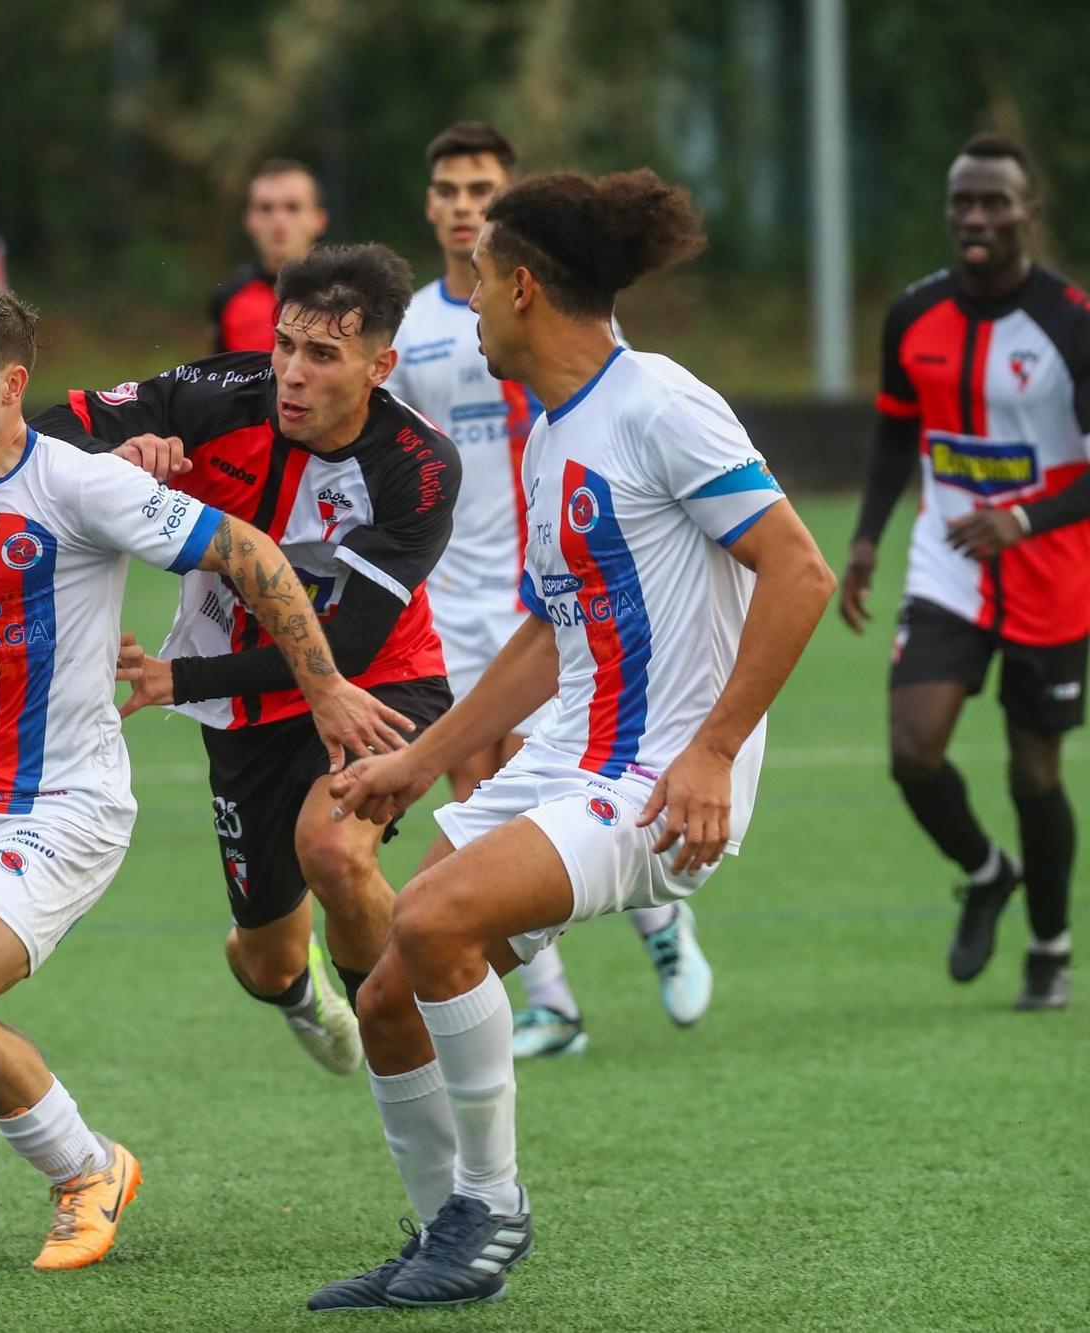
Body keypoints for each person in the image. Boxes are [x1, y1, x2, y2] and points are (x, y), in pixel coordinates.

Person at [0, 285, 407, 1274]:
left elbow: (249, 552)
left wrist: (321, 689)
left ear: (12, 386)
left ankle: (87, 1169)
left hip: (63, 808)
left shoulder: (79, 485)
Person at [307, 170, 835, 1310]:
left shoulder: (657, 402)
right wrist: (417, 754)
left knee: (435, 915)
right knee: (389, 999)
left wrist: (709, 750)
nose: (471, 302)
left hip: (655, 775)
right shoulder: (552, 431)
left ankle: (489, 1214)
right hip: (568, 757)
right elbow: (550, 635)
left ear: (522, 286)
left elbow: (797, 570)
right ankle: (441, 1229)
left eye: (479, 280)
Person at [31, 243, 458, 1079]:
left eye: (323, 355)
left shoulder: (417, 466)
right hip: (245, 709)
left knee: (334, 850)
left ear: (381, 366)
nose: (292, 373)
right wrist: (113, 464)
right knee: (264, 959)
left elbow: (349, 648)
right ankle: (304, 994)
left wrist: (176, 677)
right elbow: (36, 436)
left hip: (375, 685)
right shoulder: (214, 393)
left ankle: (410, 1046)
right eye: (285, 344)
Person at [386, 121, 714, 1059]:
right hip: (468, 582)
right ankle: (554, 1004)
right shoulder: (417, 330)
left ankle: (654, 921)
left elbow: (787, 565)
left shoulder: (618, 374)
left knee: (549, 779)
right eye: (446, 188)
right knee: (472, 779)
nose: (460, 204)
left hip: (574, 599)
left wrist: (718, 748)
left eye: (479, 187)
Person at [840, 132, 1088, 1011]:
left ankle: (1050, 948)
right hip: (948, 561)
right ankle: (987, 873)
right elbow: (895, 435)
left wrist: (1023, 515)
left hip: (1054, 574)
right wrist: (867, 538)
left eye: (993, 202)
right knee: (913, 752)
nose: (975, 217)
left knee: (1035, 774)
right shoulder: (914, 314)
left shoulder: (1070, 321)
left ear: (1029, 212)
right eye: (962, 202)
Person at [209, 159, 329, 353]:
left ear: (319, 220)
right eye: (266, 208)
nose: (278, 220)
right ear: (249, 220)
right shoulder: (229, 296)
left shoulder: (345, 295)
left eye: (292, 207)